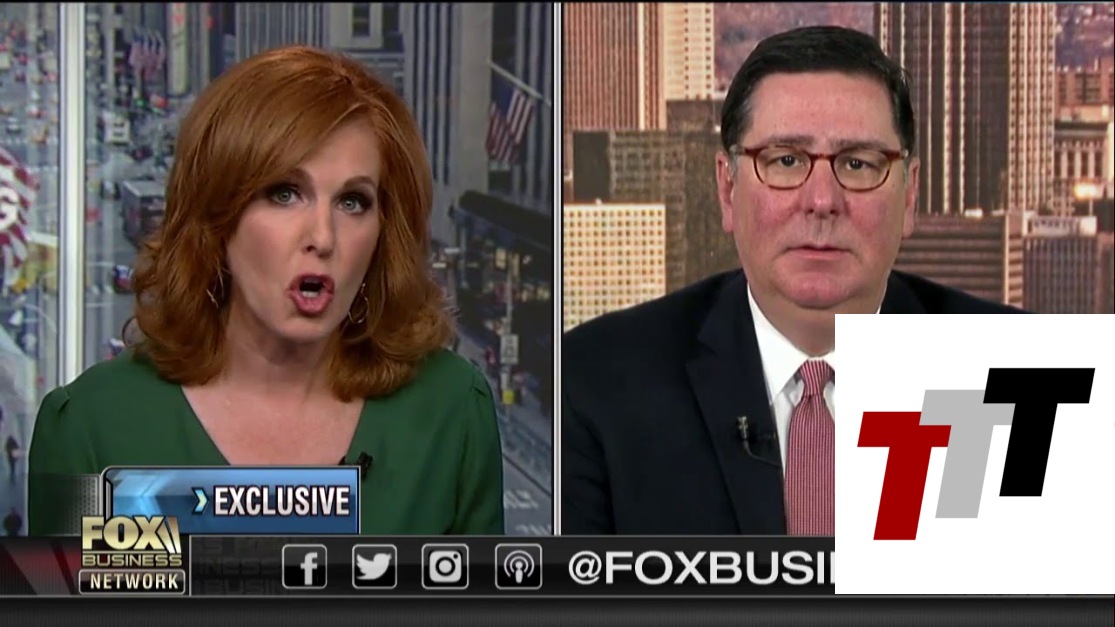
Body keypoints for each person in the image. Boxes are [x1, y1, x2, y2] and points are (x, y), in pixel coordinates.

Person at [561, 26, 1023, 536]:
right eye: (785, 161)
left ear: (910, 195)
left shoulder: (1018, 376)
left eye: (858, 163)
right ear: (727, 187)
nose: (821, 201)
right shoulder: (595, 385)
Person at [28, 46, 504, 536]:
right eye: (284, 193)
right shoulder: (90, 429)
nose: (323, 237)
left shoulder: (452, 412)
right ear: (218, 217)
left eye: (352, 201)